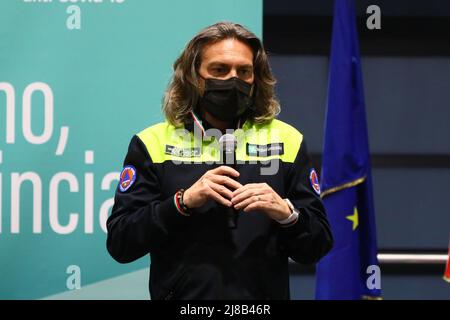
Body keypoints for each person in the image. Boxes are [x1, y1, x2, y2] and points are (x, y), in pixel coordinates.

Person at [106, 21, 333, 300]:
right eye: (219, 70)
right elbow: (121, 243)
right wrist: (182, 202)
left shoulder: (287, 140)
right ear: (193, 76)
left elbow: (317, 246)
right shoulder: (152, 143)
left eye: (244, 71)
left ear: (256, 78)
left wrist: (287, 215)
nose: (233, 79)